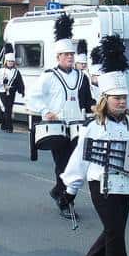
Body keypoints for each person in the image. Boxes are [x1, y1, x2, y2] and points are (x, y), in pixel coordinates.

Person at [61, 34, 129, 256]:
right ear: (105, 99)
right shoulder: (93, 127)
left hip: (124, 184)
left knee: (114, 231)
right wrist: (70, 190)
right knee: (116, 234)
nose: (121, 102)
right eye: (116, 98)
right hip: (100, 184)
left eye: (124, 97)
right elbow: (79, 159)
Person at [28, 13, 94, 219]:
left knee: (77, 166)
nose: (70, 58)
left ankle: (58, 192)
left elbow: (87, 102)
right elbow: (32, 97)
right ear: (58, 57)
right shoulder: (49, 76)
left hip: (78, 128)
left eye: (71, 55)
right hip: (57, 127)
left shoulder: (82, 77)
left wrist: (96, 109)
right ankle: (66, 202)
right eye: (66, 55)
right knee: (63, 165)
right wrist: (45, 111)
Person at [0, 43, 24, 132]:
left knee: (9, 108)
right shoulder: (1, 71)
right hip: (2, 91)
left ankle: (4, 125)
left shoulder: (16, 72)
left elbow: (19, 82)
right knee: (7, 108)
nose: (10, 63)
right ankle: (9, 127)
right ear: (6, 62)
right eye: (9, 61)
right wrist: (2, 82)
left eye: (12, 61)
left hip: (12, 91)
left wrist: (21, 90)